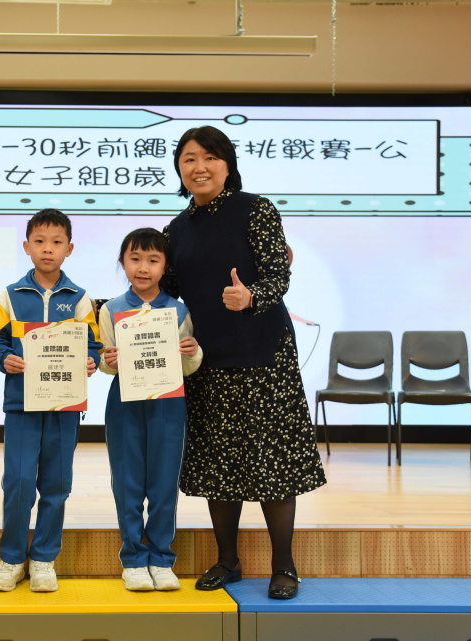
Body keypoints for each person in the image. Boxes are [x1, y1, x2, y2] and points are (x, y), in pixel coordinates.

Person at [162, 126, 326, 600]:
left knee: (272, 462)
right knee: (218, 464)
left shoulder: (256, 209)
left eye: (210, 157)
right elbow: (165, 292)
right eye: (189, 159)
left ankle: (284, 566)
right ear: (179, 168)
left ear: (228, 165)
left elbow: (278, 274)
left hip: (264, 355)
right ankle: (227, 560)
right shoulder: (175, 230)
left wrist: (251, 295)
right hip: (206, 359)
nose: (200, 167)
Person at [0, 209, 103, 592]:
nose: (47, 249)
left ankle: (44, 559)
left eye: (56, 242)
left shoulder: (80, 299)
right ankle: (11, 559)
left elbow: (94, 344)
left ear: (69, 248)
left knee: (57, 484)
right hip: (21, 406)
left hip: (65, 406)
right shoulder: (10, 296)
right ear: (26, 246)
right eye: (39, 241)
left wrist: (91, 360)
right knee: (18, 483)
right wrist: (4, 358)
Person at [98, 228, 203, 591]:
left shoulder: (178, 310)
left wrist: (193, 352)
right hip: (125, 405)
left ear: (165, 266)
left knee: (163, 485)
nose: (143, 268)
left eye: (153, 260)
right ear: (123, 263)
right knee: (127, 483)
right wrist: (108, 360)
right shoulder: (110, 310)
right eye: (135, 259)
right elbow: (105, 362)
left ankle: (161, 558)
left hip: (168, 405)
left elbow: (188, 365)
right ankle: (132, 559)